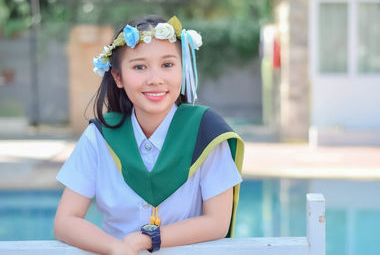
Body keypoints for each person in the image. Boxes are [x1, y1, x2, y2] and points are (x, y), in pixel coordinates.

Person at [54, 15, 244, 255]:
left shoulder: (205, 132)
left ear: (183, 68)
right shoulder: (100, 136)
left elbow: (217, 222)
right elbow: (65, 221)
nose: (155, 80)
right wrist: (117, 248)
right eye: (139, 67)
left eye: (167, 65)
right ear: (118, 77)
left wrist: (145, 240)